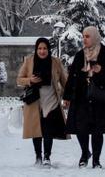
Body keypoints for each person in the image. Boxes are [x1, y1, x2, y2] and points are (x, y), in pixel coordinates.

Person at [62, 26, 105, 168]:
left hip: (99, 96)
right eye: (83, 36)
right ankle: (84, 153)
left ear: (94, 37)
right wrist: (67, 96)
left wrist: (102, 70)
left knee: (97, 130)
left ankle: (96, 160)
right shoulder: (80, 55)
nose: (84, 39)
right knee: (81, 128)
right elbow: (72, 77)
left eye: (87, 36)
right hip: (81, 96)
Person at [18, 37, 67, 167]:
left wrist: (67, 96)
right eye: (39, 48)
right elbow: (19, 79)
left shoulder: (55, 62)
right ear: (36, 49)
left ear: (48, 49)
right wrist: (30, 80)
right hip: (35, 101)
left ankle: (47, 157)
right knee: (36, 130)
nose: (42, 51)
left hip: (51, 99)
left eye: (45, 48)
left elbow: (64, 80)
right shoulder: (29, 61)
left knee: (48, 130)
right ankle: (38, 156)